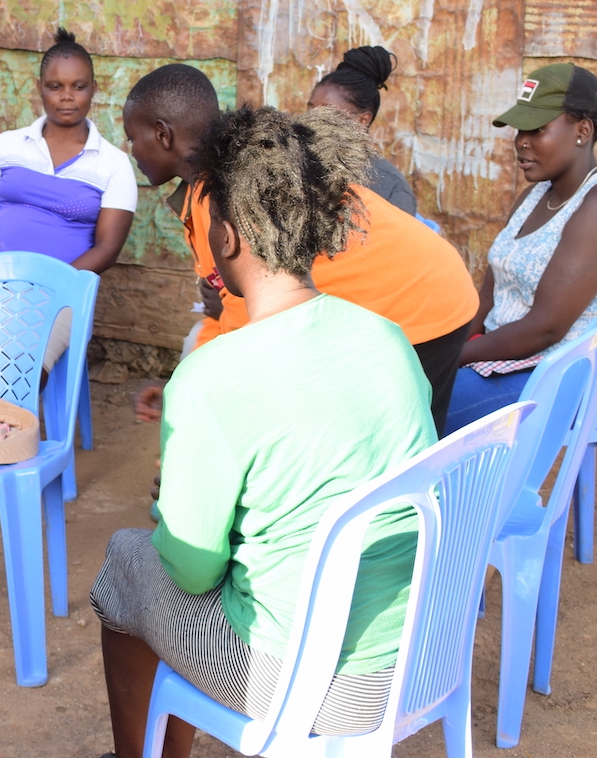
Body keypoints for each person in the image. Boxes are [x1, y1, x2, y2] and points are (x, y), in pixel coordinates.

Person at [93, 105, 435, 758]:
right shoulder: (386, 339)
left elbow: (193, 573)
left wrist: (181, 515)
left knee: (127, 560)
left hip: (306, 682)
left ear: (227, 238)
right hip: (415, 654)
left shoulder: (211, 378)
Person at [126, 65, 477, 435]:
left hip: (426, 302)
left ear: (163, 134)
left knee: (400, 450)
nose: (131, 150)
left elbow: (244, 334)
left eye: (132, 138)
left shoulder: (236, 187)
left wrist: (191, 397)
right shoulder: (202, 196)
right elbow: (227, 310)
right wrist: (184, 387)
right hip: (392, 300)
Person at [445, 63, 597, 433]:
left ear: (583, 131)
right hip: (513, 356)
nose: (522, 141)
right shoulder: (535, 195)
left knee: (424, 410)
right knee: (415, 387)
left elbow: (547, 329)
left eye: (537, 129)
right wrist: (449, 351)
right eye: (520, 129)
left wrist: (453, 358)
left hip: (578, 376)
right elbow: (489, 295)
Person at [0, 28, 138, 406]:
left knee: (18, 375)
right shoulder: (6, 146)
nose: (67, 96)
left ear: (94, 88)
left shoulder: (113, 164)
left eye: (78, 86)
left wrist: (53, 286)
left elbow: (108, 248)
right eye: (55, 86)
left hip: (56, 295)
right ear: (40, 88)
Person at [306, 46, 417, 214]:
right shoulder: (291, 164)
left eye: (326, 112)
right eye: (310, 108)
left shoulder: (391, 189)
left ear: (362, 120)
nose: (311, 119)